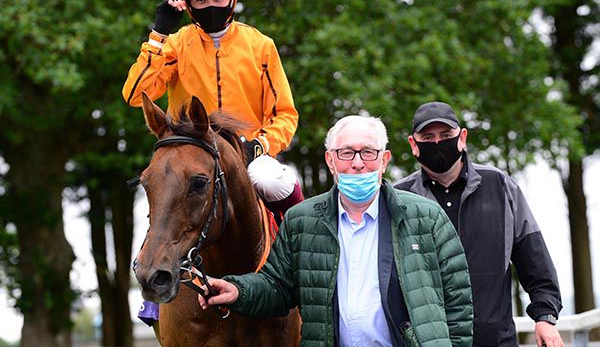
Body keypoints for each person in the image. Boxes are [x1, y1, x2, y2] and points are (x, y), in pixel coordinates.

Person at [197, 115, 473, 346]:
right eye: (346, 153)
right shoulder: (302, 222)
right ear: (330, 160)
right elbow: (277, 287)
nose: (357, 162)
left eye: (368, 152)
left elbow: (458, 303)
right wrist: (238, 290)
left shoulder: (427, 217)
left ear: (384, 160)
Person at [122, 0, 302, 223]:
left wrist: (259, 145)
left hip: (247, 153)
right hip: (191, 152)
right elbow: (135, 94)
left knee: (274, 181)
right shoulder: (174, 45)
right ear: (187, 4)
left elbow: (285, 115)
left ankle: (299, 241)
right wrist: (158, 34)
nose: (211, 5)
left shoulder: (261, 46)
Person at [394, 101, 564, 347]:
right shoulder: (399, 199)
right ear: (413, 144)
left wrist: (545, 316)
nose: (438, 143)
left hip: (495, 340)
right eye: (428, 137)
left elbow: (534, 258)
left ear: (462, 137)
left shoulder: (500, 186)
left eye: (446, 135)